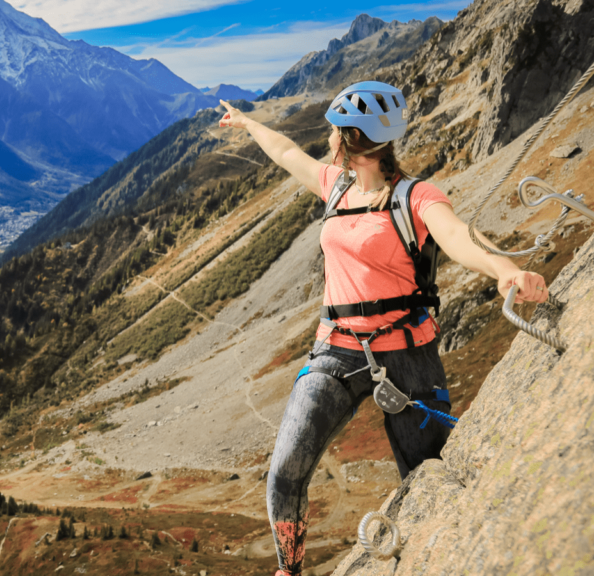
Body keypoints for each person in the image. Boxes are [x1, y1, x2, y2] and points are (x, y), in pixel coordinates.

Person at [217, 82, 549, 576]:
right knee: (285, 471)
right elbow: (285, 152)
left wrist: (504, 270)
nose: (327, 138)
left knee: (428, 479)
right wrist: (248, 124)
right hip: (336, 349)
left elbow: (458, 236)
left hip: (408, 355)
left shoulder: (416, 196)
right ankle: (289, 570)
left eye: (334, 131)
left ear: (352, 138)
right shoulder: (335, 186)